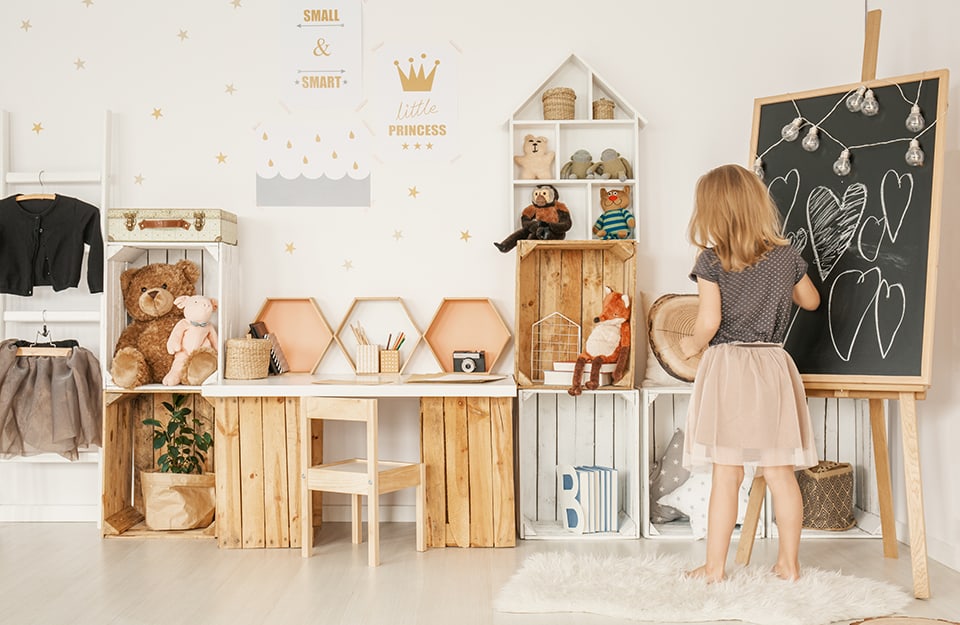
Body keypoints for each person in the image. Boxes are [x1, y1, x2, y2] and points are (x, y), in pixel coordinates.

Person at [679, 163, 821, 583]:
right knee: (780, 472)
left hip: (730, 368)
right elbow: (811, 301)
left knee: (727, 473)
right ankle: (789, 565)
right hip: (773, 365)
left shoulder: (712, 260)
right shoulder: (786, 257)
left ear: (711, 211)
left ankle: (714, 569)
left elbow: (709, 321)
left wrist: (690, 346)